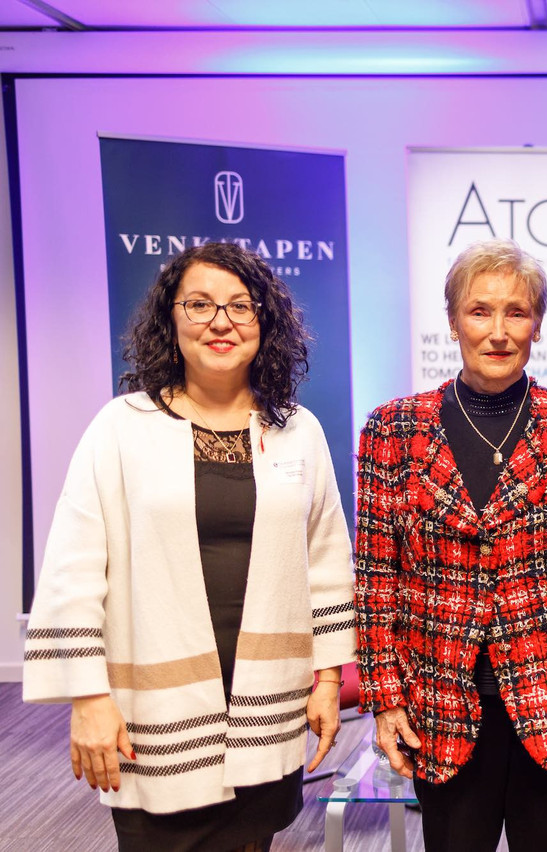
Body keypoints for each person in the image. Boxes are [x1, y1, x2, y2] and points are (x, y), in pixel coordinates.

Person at [23, 242, 357, 851]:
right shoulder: (122, 427)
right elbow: (72, 570)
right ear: (170, 319)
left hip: (265, 700)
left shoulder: (298, 430)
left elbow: (327, 559)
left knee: (255, 840)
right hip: (155, 711)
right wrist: (89, 698)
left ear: (265, 322)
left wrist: (329, 681)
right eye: (199, 304)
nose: (221, 321)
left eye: (240, 306)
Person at [355, 238, 547, 852]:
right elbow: (377, 579)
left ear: (537, 324)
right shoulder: (392, 429)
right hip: (441, 698)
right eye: (480, 311)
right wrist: (384, 700)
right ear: (454, 321)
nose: (498, 331)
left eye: (517, 311)